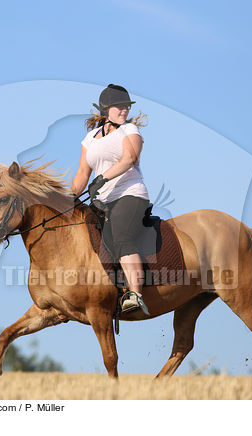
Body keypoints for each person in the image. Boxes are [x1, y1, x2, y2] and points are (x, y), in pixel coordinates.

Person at [71, 84, 150, 315]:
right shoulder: (90, 138)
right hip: (101, 202)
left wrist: (103, 178)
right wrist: (69, 197)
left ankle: (136, 294)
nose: (124, 110)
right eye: (120, 106)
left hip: (129, 195)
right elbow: (82, 175)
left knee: (121, 235)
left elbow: (130, 158)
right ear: (105, 109)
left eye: (126, 106)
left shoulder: (130, 130)